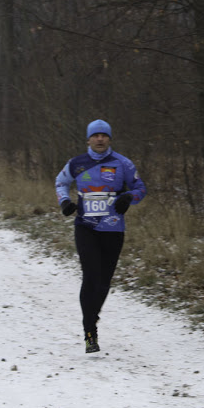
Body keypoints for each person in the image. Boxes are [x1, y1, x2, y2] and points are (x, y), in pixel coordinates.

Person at [55, 119, 146, 353]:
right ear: (88, 139)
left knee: (104, 281)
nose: (99, 139)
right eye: (95, 135)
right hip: (86, 227)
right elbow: (61, 182)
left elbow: (140, 188)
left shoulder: (123, 163)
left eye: (104, 135)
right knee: (91, 276)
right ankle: (89, 331)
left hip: (113, 229)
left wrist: (129, 198)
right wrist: (64, 201)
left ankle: (92, 317)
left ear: (109, 139)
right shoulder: (76, 163)